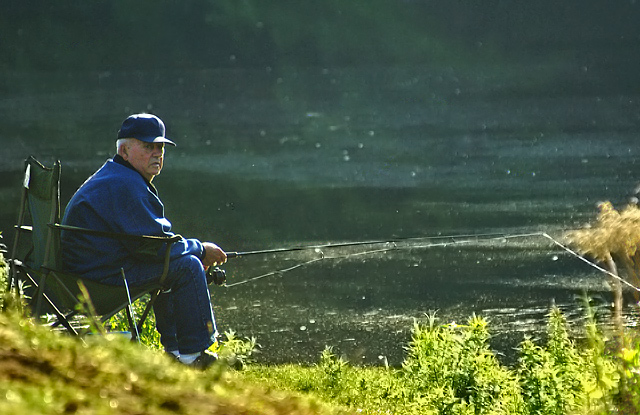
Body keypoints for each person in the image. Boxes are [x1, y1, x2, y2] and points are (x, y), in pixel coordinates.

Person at [61, 113, 227, 369]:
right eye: (149, 147)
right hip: (97, 283)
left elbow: (154, 245)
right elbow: (157, 246)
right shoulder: (123, 184)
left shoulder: (118, 175)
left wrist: (188, 250)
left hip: (90, 273)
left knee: (177, 261)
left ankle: (176, 353)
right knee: (187, 266)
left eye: (160, 147)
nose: (157, 154)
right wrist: (200, 249)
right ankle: (193, 356)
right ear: (125, 150)